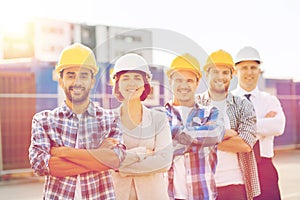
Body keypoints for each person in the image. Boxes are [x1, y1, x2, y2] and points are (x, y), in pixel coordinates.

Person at [28, 43, 126, 199]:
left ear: (92, 81)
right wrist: (98, 157)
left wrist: (63, 152)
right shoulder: (44, 121)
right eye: (70, 75)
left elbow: (115, 161)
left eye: (83, 75)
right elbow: (41, 165)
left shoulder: (110, 120)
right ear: (61, 81)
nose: (77, 82)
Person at [196, 50, 261, 200]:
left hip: (235, 185)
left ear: (232, 76)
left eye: (225, 72)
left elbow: (245, 144)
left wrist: (206, 139)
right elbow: (189, 138)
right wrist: (228, 133)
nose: (220, 77)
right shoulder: (195, 104)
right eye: (215, 72)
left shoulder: (243, 105)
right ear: (207, 74)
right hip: (202, 185)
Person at [110, 53, 173, 200]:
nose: (131, 83)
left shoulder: (159, 118)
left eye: (137, 78)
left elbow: (164, 162)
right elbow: (106, 161)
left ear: (145, 84)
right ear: (117, 84)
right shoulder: (107, 120)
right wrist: (142, 152)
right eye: (125, 78)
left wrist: (121, 167)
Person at [165, 53, 225, 200]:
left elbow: (215, 135)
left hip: (203, 195)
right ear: (170, 81)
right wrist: (199, 138)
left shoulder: (211, 112)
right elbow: (160, 150)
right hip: (170, 196)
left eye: (189, 80)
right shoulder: (159, 115)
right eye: (178, 80)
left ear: (197, 83)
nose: (184, 85)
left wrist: (173, 134)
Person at [232, 46, 286, 200]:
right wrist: (263, 124)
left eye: (253, 67)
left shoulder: (269, 99)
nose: (249, 72)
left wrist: (242, 127)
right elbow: (227, 129)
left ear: (259, 71)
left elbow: (278, 126)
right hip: (237, 169)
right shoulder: (229, 101)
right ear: (235, 71)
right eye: (244, 68)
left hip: (265, 169)